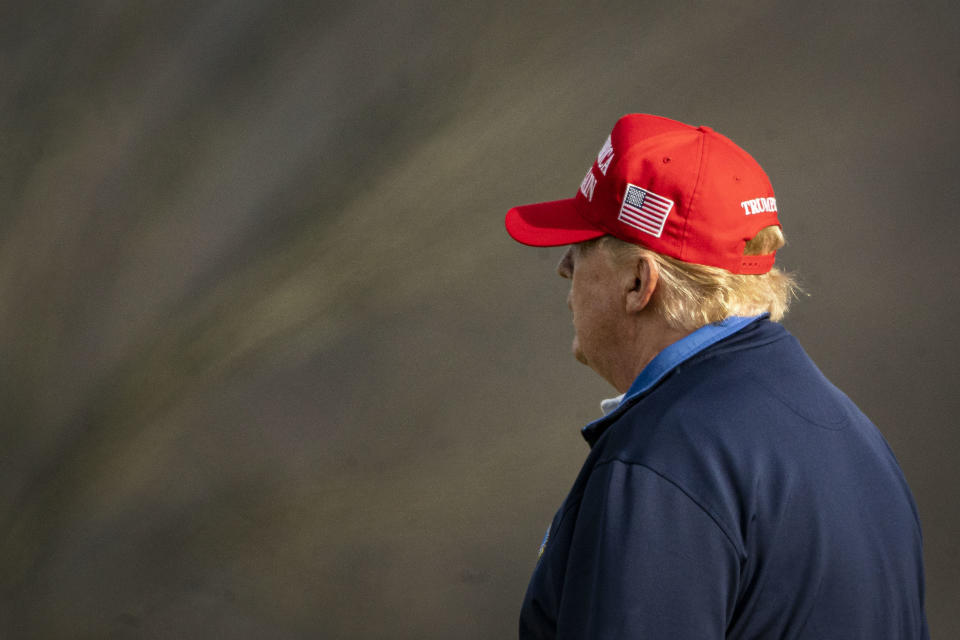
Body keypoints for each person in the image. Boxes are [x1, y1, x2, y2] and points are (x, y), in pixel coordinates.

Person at [504, 114, 929, 639]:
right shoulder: (856, 435)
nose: (564, 267)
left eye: (584, 246)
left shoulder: (658, 463)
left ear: (640, 283)